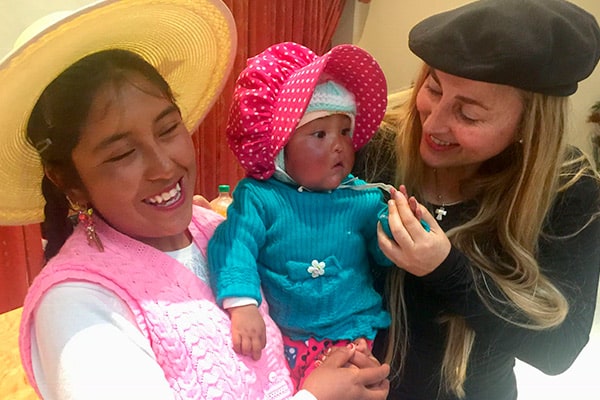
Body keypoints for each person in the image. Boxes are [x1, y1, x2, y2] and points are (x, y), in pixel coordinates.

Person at [0, 1, 390, 399]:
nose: (163, 166)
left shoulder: (215, 230)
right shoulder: (76, 305)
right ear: (70, 182)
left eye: (168, 128)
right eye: (122, 154)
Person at [352, 1, 600, 399]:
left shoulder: (570, 190)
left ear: (527, 125)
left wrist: (445, 269)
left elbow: (558, 350)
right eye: (433, 88)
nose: (432, 123)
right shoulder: (375, 144)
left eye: (468, 114)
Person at [207, 41, 394, 389]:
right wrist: (242, 304)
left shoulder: (363, 198)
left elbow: (386, 253)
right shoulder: (260, 198)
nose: (338, 145)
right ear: (280, 149)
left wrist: (402, 228)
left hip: (358, 333)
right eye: (319, 134)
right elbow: (233, 245)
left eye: (345, 131)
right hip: (289, 339)